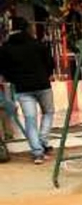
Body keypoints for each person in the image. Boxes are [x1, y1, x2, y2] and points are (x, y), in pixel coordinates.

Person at [0, 17, 55, 164]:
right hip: (43, 85)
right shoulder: (38, 44)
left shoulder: (5, 48)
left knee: (30, 120)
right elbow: (50, 63)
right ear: (27, 28)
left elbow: (4, 69)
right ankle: (42, 141)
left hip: (22, 88)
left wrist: (14, 80)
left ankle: (37, 153)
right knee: (48, 113)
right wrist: (45, 75)